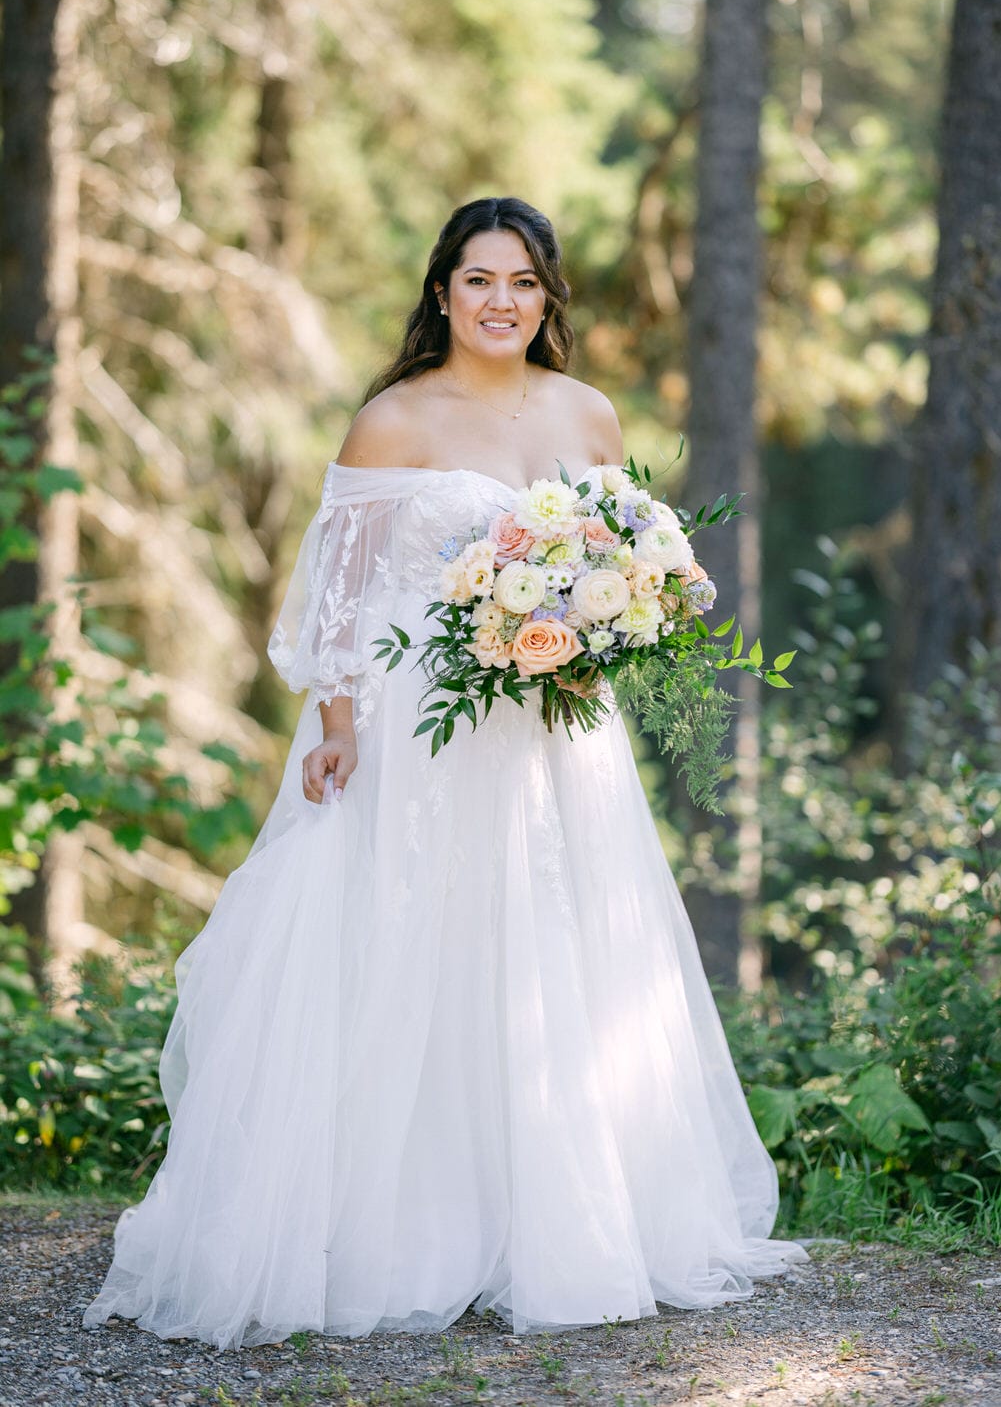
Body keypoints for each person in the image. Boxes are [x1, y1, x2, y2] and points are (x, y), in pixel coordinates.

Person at [82, 196, 807, 1351]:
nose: (501, 302)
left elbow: (629, 564)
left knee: (556, 946)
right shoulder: (393, 421)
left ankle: (557, 1218)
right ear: (440, 292)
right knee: (414, 944)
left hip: (557, 725)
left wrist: (608, 631)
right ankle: (402, 1223)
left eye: (522, 282)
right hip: (421, 724)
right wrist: (335, 726)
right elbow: (340, 595)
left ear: (546, 296)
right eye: (479, 281)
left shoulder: (587, 413)